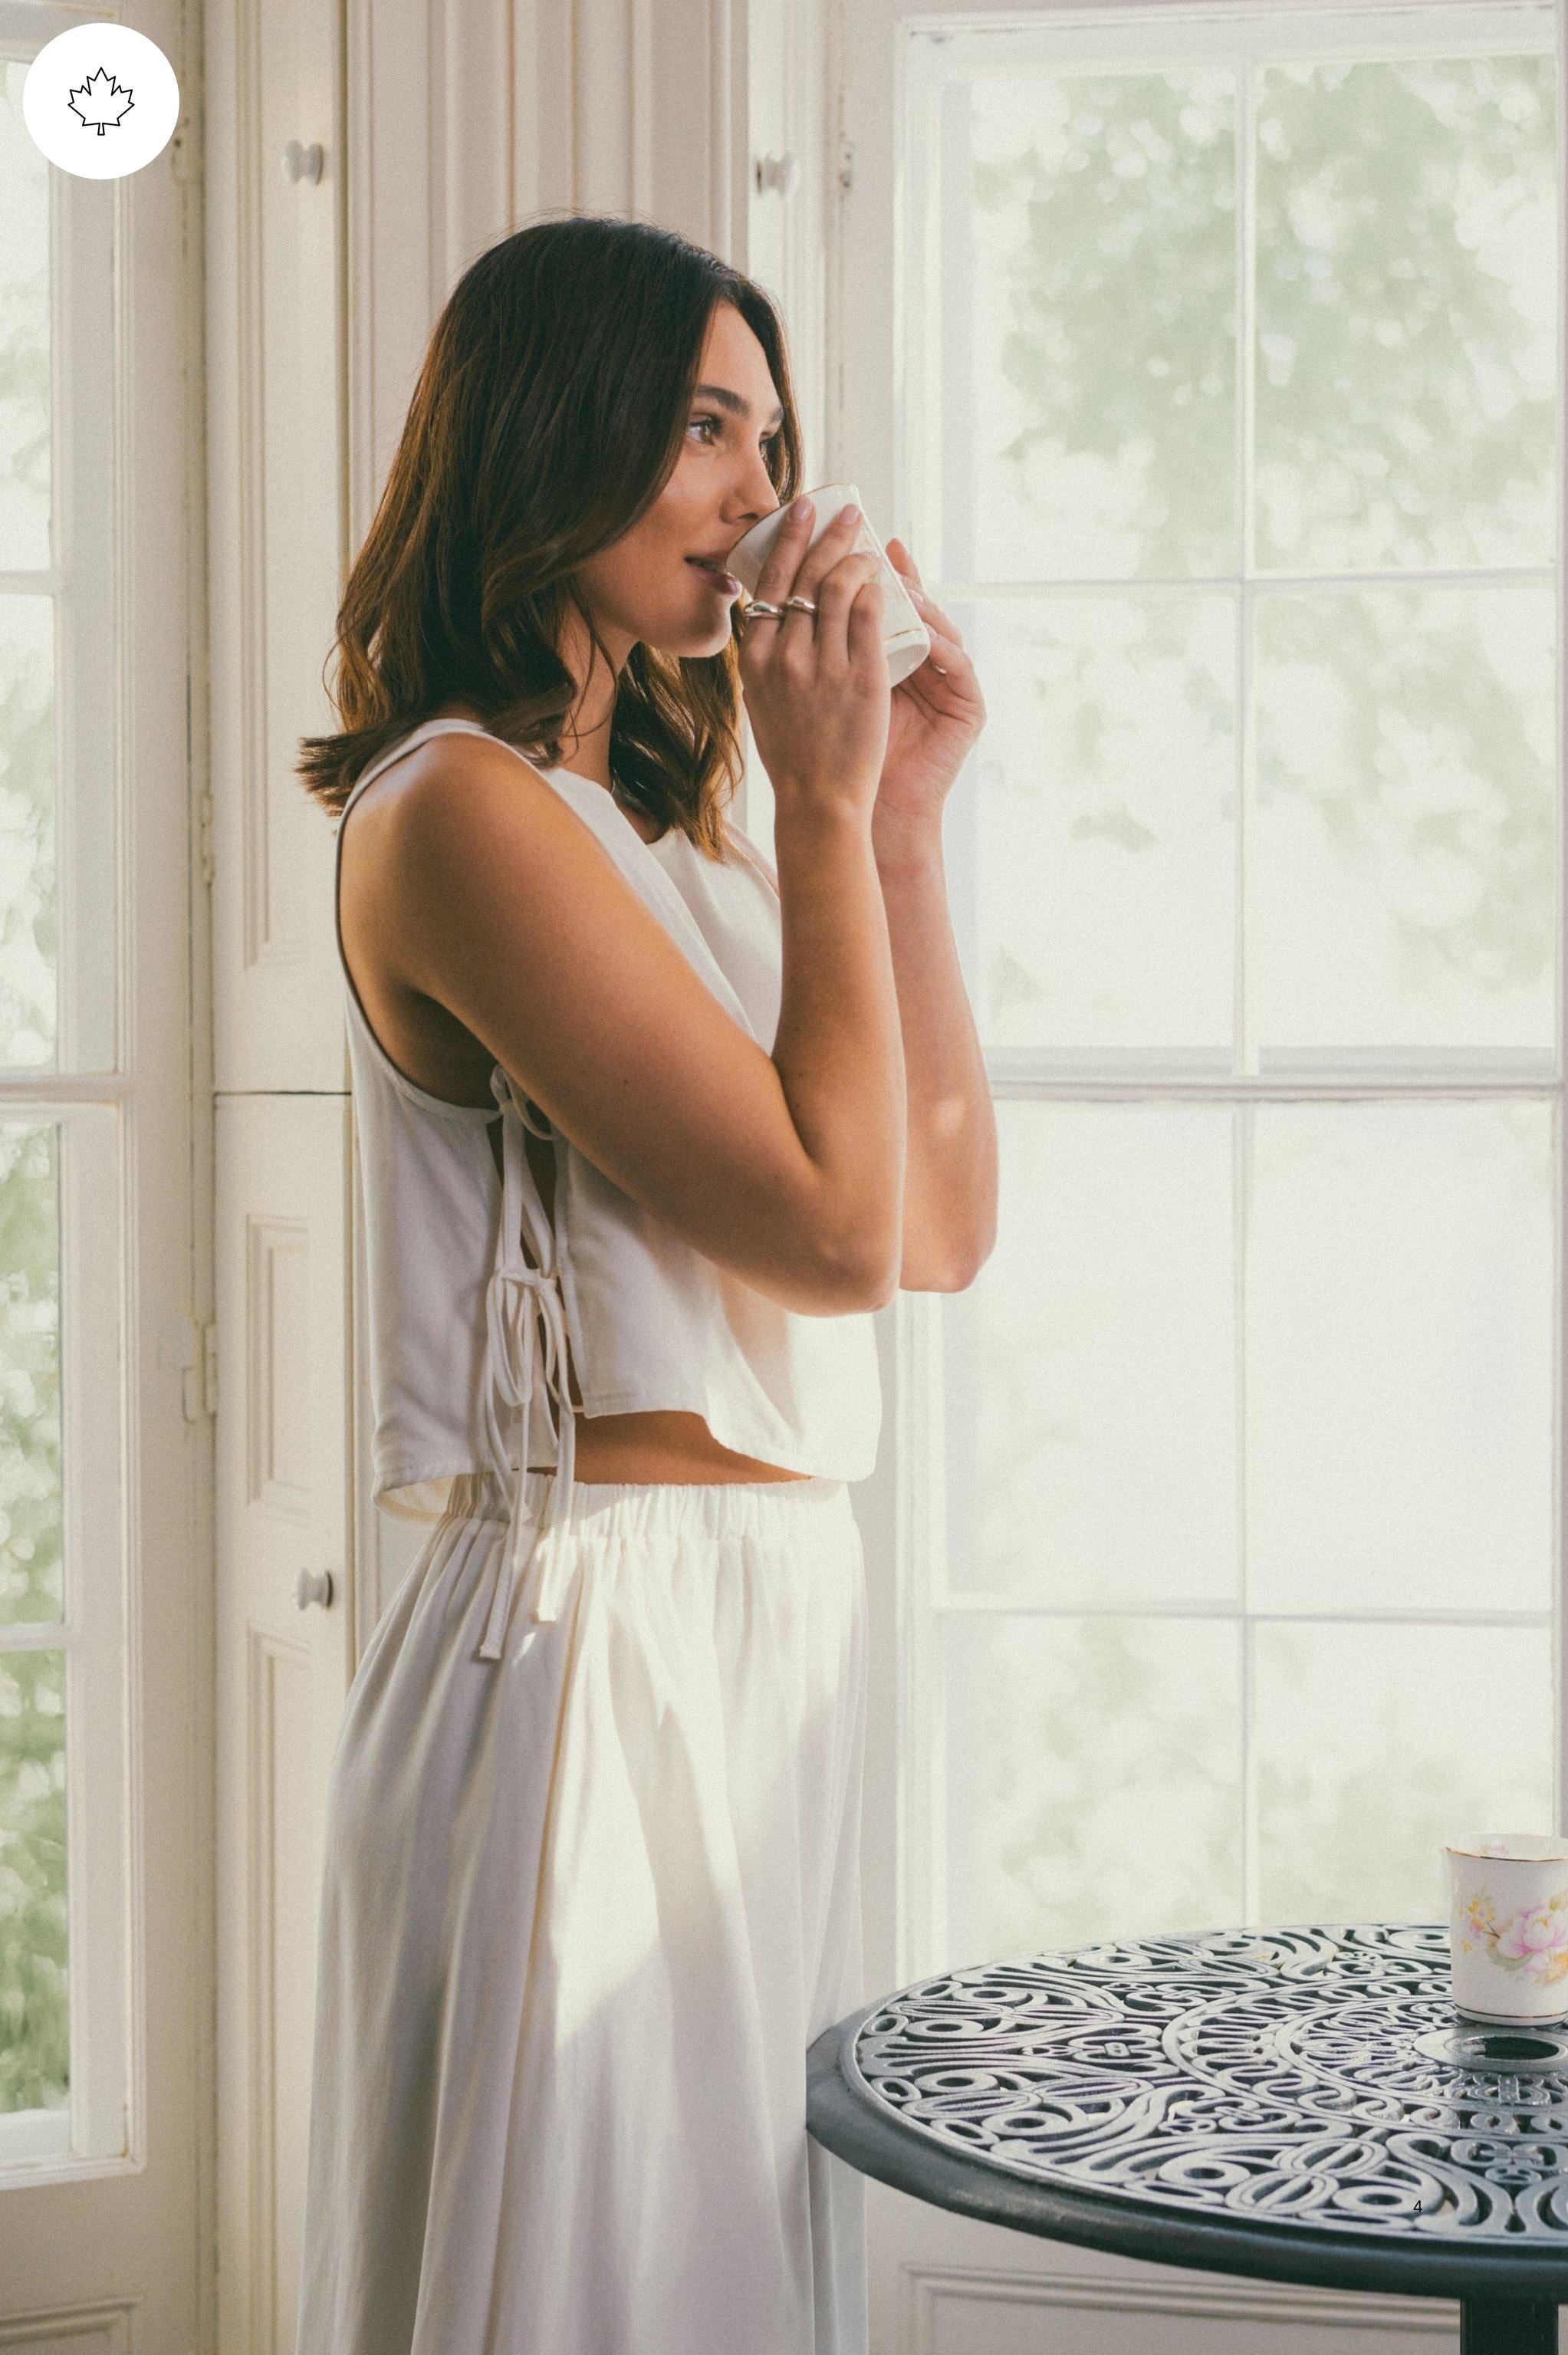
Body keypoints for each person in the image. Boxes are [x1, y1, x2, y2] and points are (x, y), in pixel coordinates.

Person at [291, 212, 992, 2355]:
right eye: (702, 428)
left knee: (729, 2284)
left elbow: (934, 1230)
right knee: (600, 2291)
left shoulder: (683, 847)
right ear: (551, 427)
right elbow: (831, 1237)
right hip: (591, 1643)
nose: (759, 495)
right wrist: (822, 802)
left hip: (773, 1632)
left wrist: (894, 827)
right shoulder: (460, 813)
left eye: (772, 438)